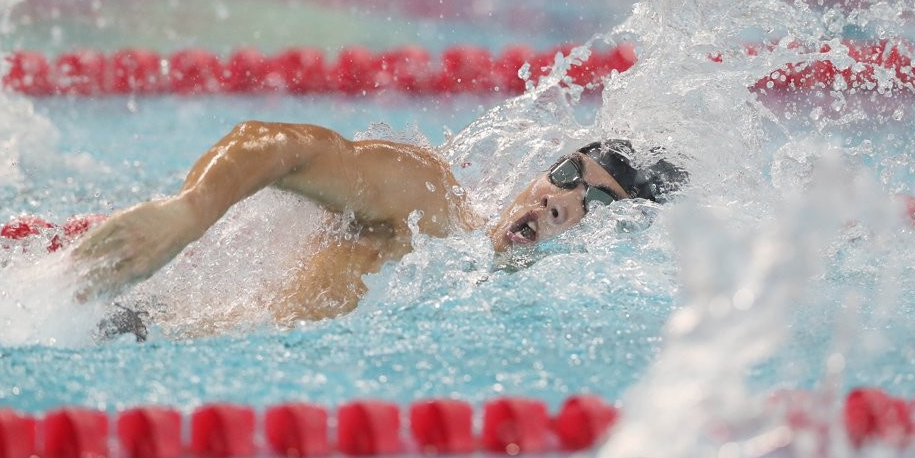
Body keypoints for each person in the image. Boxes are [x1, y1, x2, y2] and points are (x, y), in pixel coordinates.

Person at [73, 121, 686, 327]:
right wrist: (191, 213)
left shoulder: (550, 316)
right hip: (132, 332)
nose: (563, 202)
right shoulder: (426, 204)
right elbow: (277, 144)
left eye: (597, 207)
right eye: (567, 175)